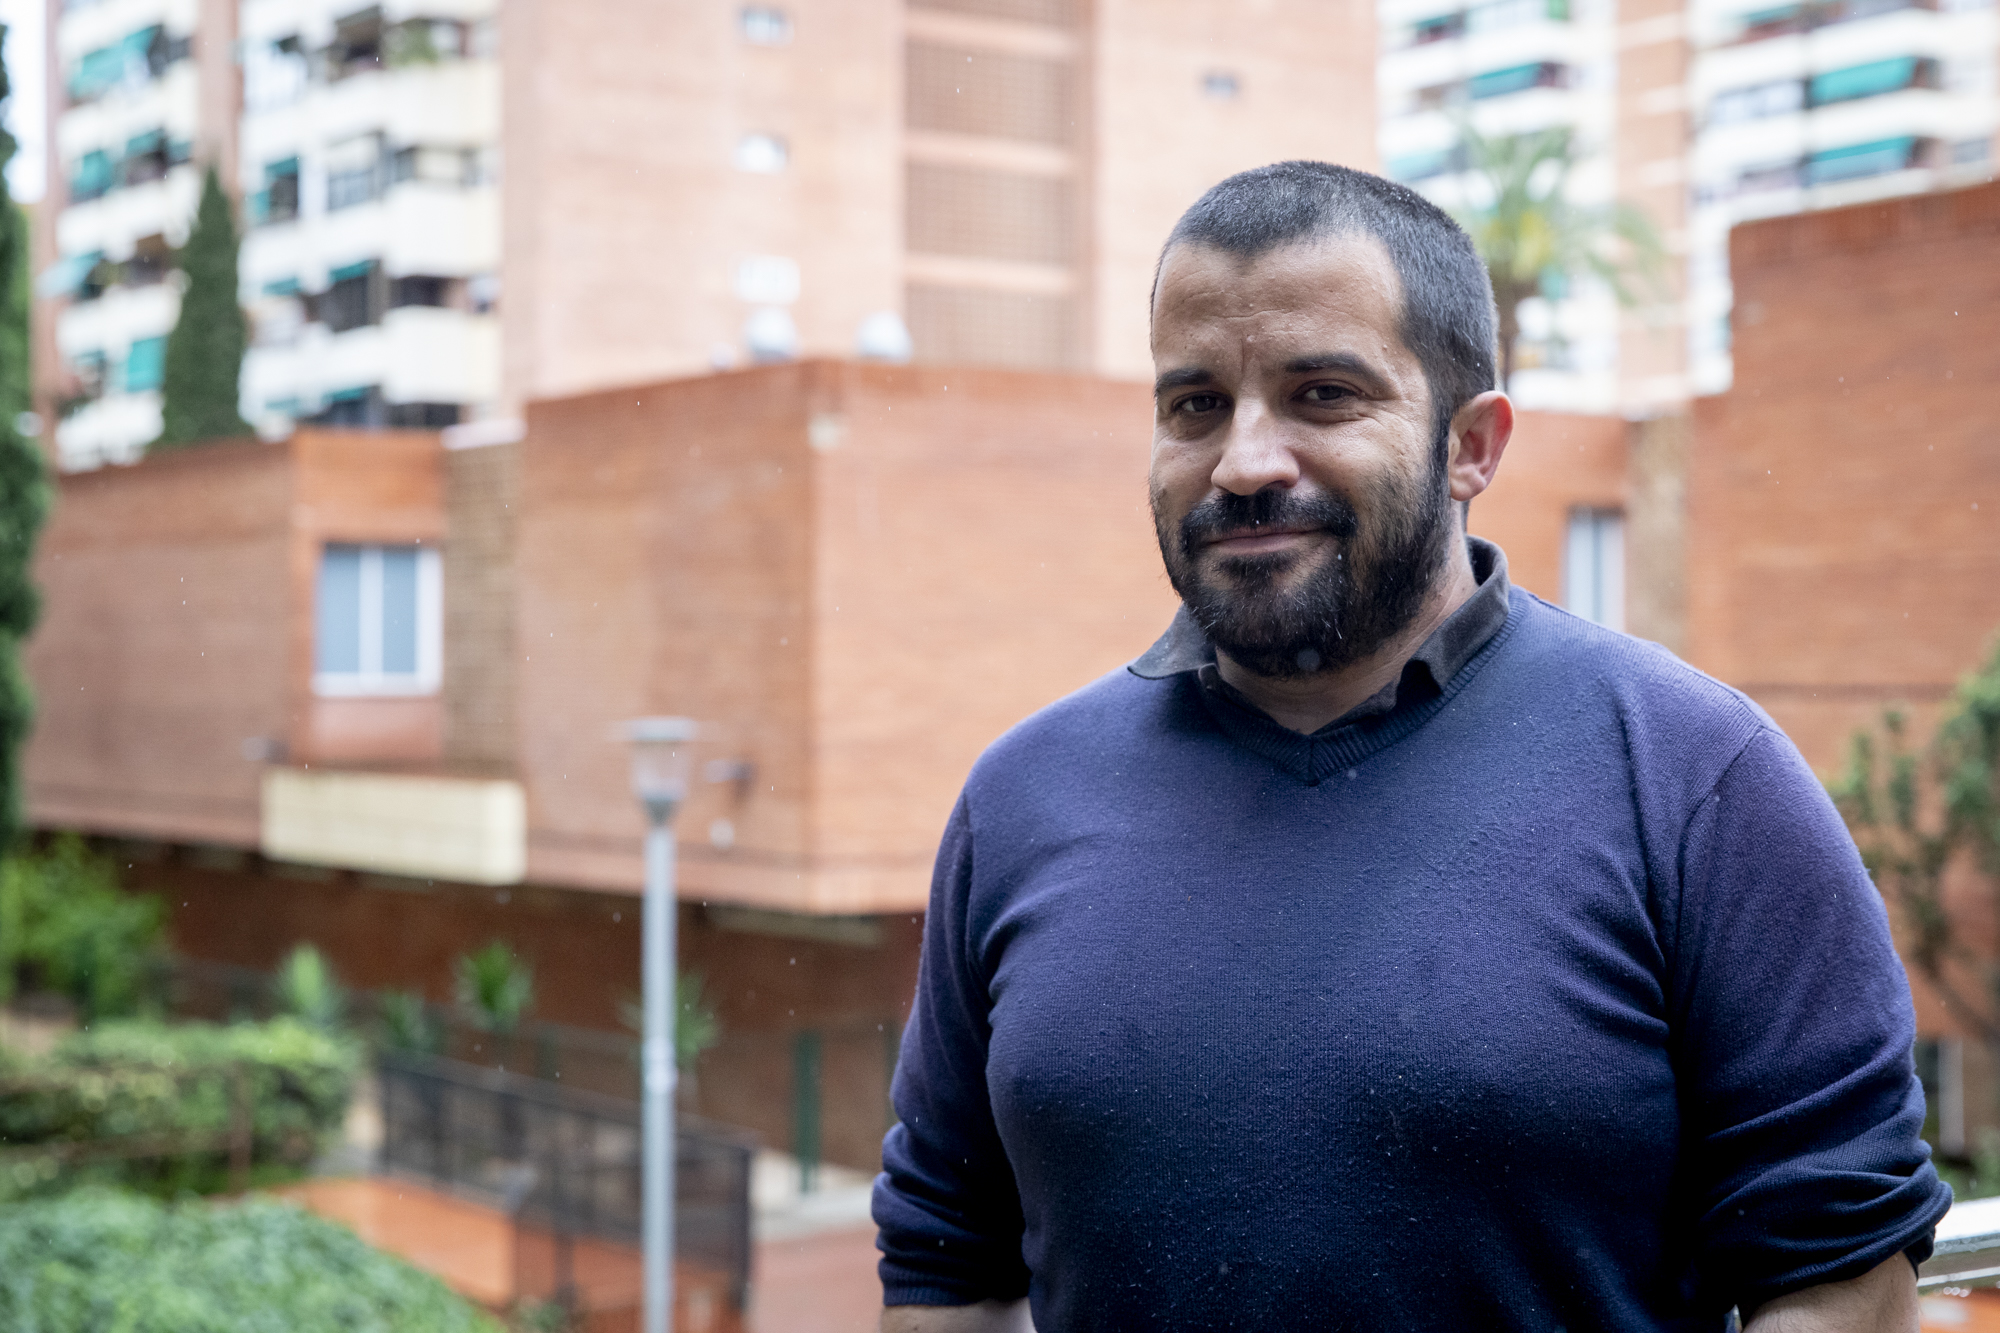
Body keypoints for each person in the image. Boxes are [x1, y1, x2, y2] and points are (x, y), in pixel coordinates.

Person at [871, 161, 1949, 1332]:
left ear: (1470, 444)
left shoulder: (1695, 778)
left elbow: (1842, 1281)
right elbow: (944, 1263)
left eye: (1321, 394)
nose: (1242, 462)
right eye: (1194, 405)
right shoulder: (1019, 799)